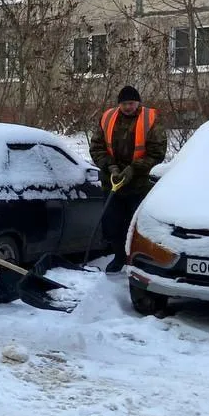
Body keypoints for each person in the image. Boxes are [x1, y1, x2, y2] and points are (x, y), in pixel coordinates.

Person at [88, 85, 167, 274]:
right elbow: (97, 147)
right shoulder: (108, 118)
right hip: (113, 182)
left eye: (131, 103)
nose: (127, 107)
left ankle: (138, 260)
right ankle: (119, 257)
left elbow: (157, 153)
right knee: (113, 223)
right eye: (124, 104)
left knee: (137, 226)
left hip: (139, 185)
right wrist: (111, 166)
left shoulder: (150, 120)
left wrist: (133, 169)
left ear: (138, 102)